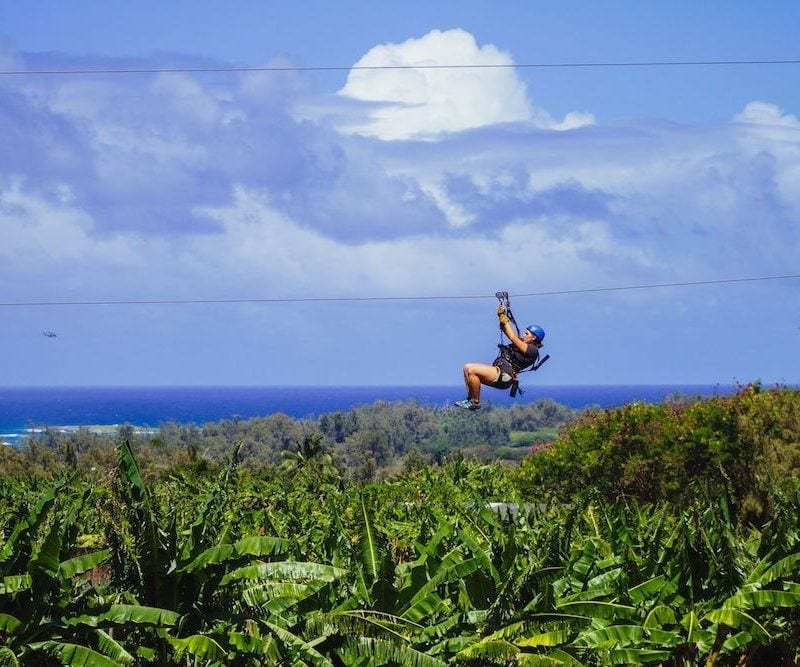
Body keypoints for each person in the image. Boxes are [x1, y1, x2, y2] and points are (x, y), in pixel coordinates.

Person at [454, 304, 545, 410]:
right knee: (467, 368)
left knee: (472, 370)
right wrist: (501, 317)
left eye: (526, 333)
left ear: (533, 337)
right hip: (499, 371)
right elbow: (507, 332)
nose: (524, 335)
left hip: (504, 375)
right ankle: (470, 399)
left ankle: (475, 402)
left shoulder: (532, 350)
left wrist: (505, 320)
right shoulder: (522, 344)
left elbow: (512, 337)